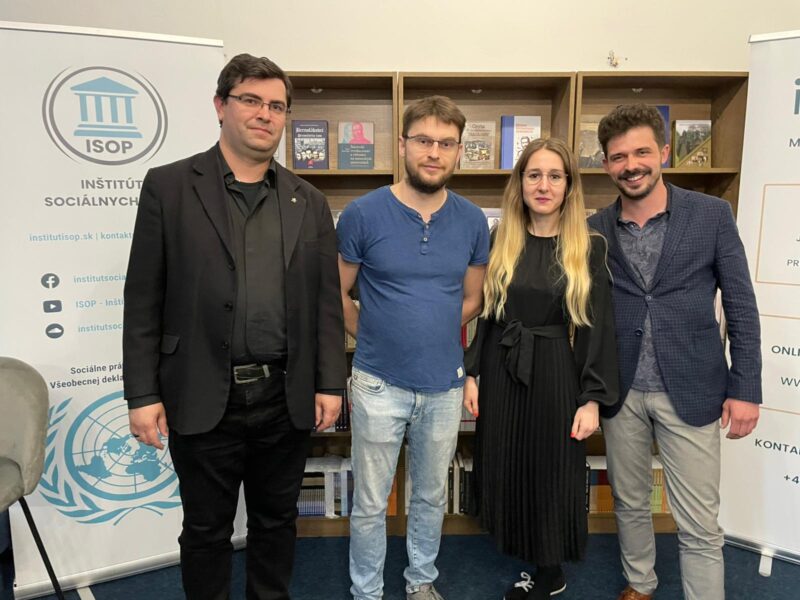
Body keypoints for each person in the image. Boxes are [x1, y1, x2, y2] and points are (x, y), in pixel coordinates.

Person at [123, 53, 346, 600]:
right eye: (251, 100)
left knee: (277, 522)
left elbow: (325, 303)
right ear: (221, 106)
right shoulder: (169, 187)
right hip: (202, 391)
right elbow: (143, 298)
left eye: (277, 106)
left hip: (284, 397)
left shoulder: (309, 201)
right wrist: (142, 394)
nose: (265, 114)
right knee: (205, 530)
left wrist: (330, 383)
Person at [588, 104, 761, 600]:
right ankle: (640, 582)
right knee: (629, 502)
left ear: (664, 152)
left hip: (693, 387)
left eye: (641, 152)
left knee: (699, 521)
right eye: (618, 157)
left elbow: (741, 306)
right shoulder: (595, 227)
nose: (631, 165)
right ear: (606, 164)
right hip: (621, 391)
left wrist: (746, 388)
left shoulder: (711, 215)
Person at [337, 96, 490, 600]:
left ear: (459, 152)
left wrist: (432, 329)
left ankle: (420, 581)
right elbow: (338, 292)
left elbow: (472, 299)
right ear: (402, 144)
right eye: (424, 140)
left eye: (446, 143)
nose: (434, 152)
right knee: (370, 501)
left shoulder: (472, 221)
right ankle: (367, 591)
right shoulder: (362, 214)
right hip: (378, 382)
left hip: (444, 385)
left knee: (430, 495)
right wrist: (374, 332)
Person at [463, 137, 619, 600]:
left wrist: (591, 399)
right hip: (502, 367)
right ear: (521, 183)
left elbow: (596, 327)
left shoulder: (588, 246)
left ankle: (550, 570)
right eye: (534, 175)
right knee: (508, 463)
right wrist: (472, 373)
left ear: (569, 185)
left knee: (552, 468)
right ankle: (526, 555)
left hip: (554, 368)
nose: (544, 185)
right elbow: (488, 315)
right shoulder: (501, 239)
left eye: (554, 176)